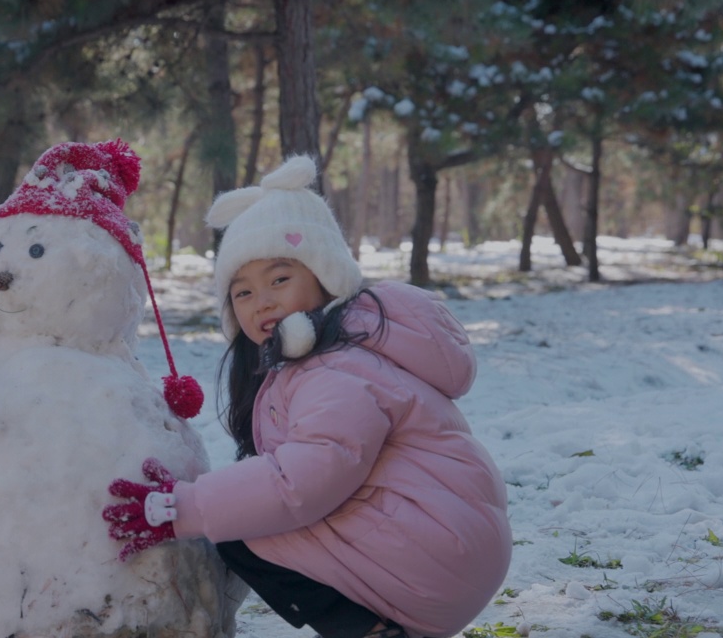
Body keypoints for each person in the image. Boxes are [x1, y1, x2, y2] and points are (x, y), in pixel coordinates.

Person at [103, 154, 512, 638]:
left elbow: (304, 480)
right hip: (449, 546)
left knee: (241, 532)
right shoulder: (337, 352)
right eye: (243, 293)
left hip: (438, 558)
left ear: (324, 277)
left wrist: (181, 507)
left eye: (280, 279)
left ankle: (371, 633)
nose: (264, 302)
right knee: (246, 515)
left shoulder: (336, 370)